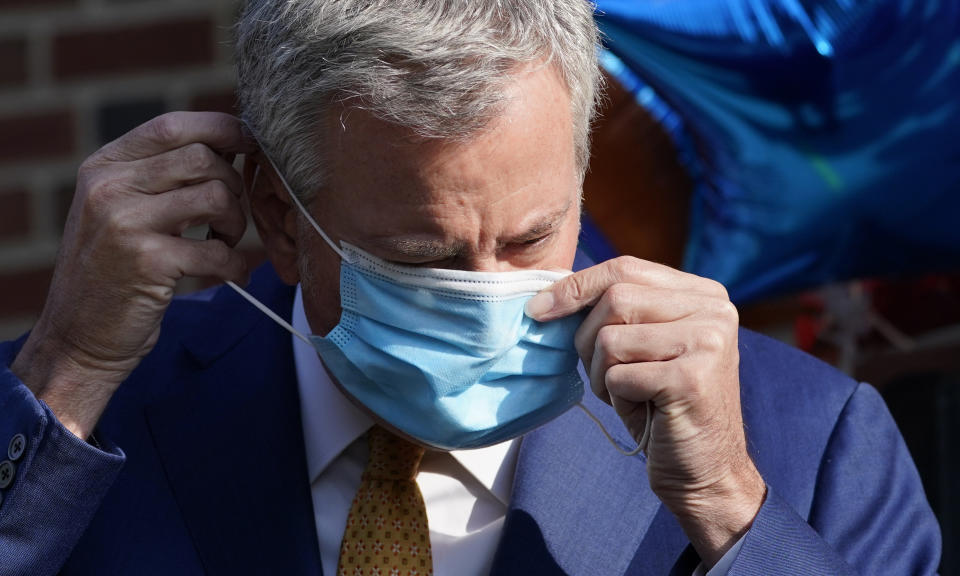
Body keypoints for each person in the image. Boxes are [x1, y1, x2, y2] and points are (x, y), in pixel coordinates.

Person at [0, 1, 940, 575]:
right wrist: (69, 371)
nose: (492, 294)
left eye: (534, 236)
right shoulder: (83, 412)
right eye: (421, 255)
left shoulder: (810, 442)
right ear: (282, 220)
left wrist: (735, 515)